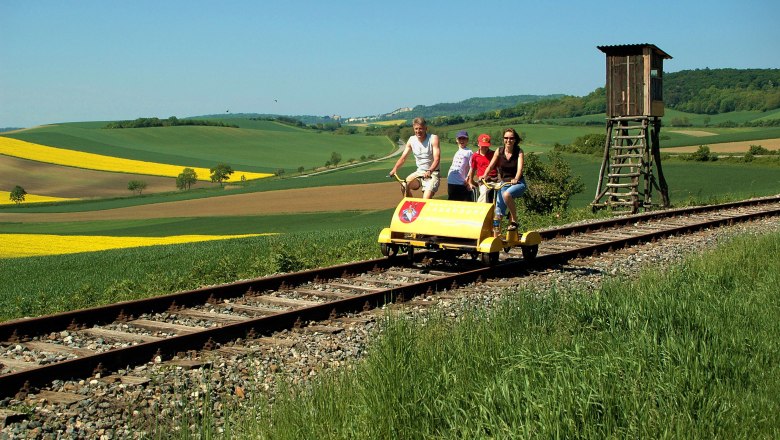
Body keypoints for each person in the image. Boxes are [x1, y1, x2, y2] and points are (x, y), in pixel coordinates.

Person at [480, 128, 527, 237]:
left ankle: (514, 220)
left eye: (511, 138)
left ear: (515, 140)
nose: (508, 140)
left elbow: (520, 169)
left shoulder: (519, 152)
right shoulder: (499, 151)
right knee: (498, 213)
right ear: (503, 139)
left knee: (507, 195)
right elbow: (491, 165)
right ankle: (496, 237)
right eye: (506, 138)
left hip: (518, 183)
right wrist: (484, 175)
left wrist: (516, 178)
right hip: (504, 183)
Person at [390, 117, 441, 199]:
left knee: (426, 199)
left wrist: (429, 171)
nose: (418, 131)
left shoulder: (433, 138)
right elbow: (403, 158)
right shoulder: (411, 140)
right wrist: (395, 169)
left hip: (432, 173)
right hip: (419, 173)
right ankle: (411, 208)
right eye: (416, 129)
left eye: (421, 129)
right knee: (404, 186)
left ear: (426, 128)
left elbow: (437, 159)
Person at [467, 133, 498, 203]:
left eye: (486, 146)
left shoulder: (494, 154)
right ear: (478, 144)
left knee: (504, 191)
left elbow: (499, 167)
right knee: (483, 192)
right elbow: (473, 169)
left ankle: (499, 212)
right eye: (482, 146)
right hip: (484, 181)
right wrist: (470, 182)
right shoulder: (475, 156)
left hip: (495, 179)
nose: (484, 148)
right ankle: (482, 210)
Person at [446, 130, 473, 201]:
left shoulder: (469, 152)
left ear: (467, 140)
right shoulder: (457, 152)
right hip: (451, 181)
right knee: (452, 204)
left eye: (464, 138)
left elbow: (472, 167)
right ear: (456, 140)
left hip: (461, 182)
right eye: (460, 138)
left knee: (465, 204)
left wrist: (468, 178)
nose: (462, 140)